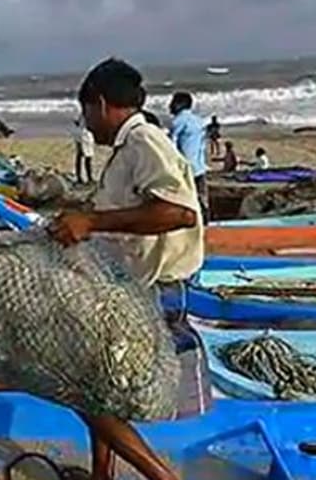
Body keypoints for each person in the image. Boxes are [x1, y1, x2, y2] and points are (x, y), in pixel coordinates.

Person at [49, 58, 205, 480]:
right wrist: (81, 214)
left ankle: (162, 477)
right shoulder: (127, 148)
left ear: (99, 104)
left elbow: (178, 214)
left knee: (86, 391)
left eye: (84, 112)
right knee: (99, 386)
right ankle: (102, 472)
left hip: (156, 291)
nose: (86, 122)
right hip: (134, 289)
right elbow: (127, 209)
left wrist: (93, 222)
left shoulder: (143, 141)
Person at [168, 92, 208, 222]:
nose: (170, 106)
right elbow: (202, 145)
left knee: (185, 199)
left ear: (179, 105)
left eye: (173, 102)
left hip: (184, 167)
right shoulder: (199, 121)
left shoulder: (178, 121)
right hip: (200, 166)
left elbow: (172, 145)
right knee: (202, 197)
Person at [72, 118, 96, 184]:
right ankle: (81, 177)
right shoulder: (82, 114)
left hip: (85, 135)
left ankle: (87, 177)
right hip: (82, 135)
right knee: (82, 157)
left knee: (86, 157)